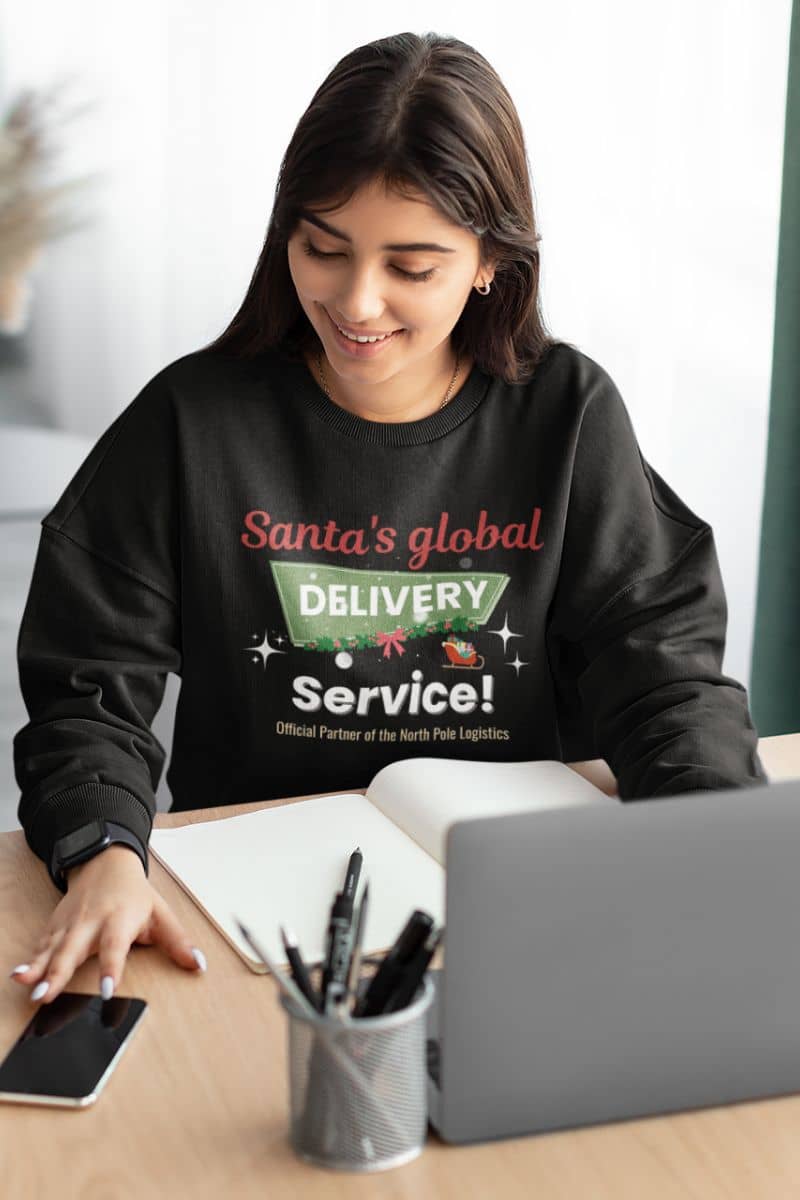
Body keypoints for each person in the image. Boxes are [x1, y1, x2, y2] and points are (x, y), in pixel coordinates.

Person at [10, 31, 768, 1008]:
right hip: (249, 928)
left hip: (514, 914)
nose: (354, 300)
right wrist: (106, 851)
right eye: (322, 249)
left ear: (492, 259)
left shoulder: (567, 417)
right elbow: (86, 700)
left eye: (410, 266)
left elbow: (663, 678)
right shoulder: (190, 423)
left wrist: (710, 846)